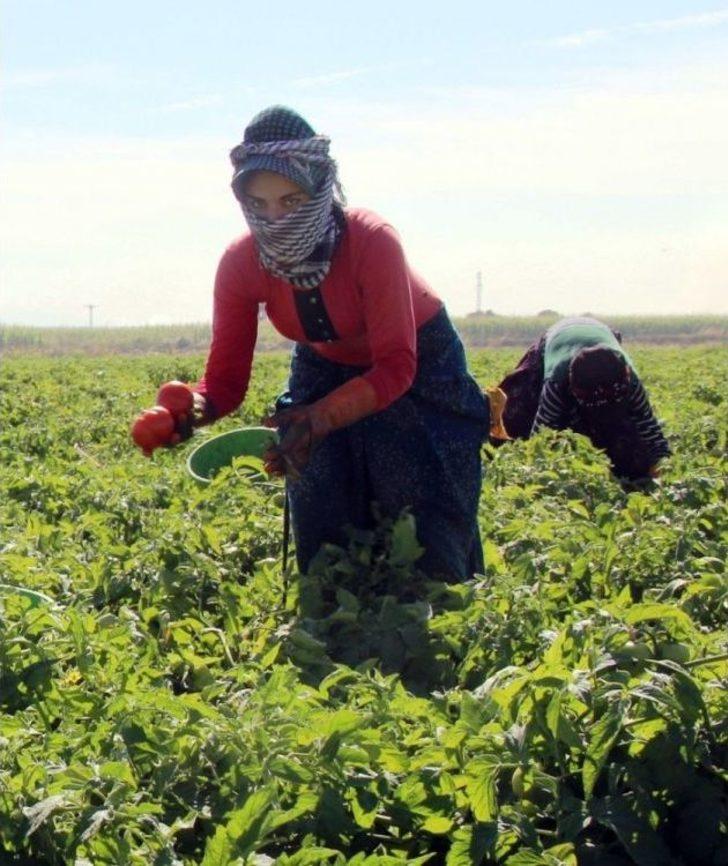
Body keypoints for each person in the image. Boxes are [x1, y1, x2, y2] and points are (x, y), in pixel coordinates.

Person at [138, 105, 490, 580]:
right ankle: (333, 613)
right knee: (319, 487)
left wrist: (320, 417)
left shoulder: (371, 241)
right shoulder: (242, 264)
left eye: (291, 200)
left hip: (417, 356)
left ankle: (436, 610)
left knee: (416, 488)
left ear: (320, 188)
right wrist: (189, 414)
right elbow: (224, 384)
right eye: (259, 205)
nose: (275, 218)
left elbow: (395, 367)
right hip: (323, 360)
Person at [488, 316, 670, 483]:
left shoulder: (628, 381)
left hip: (599, 334)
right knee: (516, 418)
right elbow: (541, 438)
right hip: (558, 338)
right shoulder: (556, 382)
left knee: (624, 439)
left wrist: (663, 473)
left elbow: (650, 430)